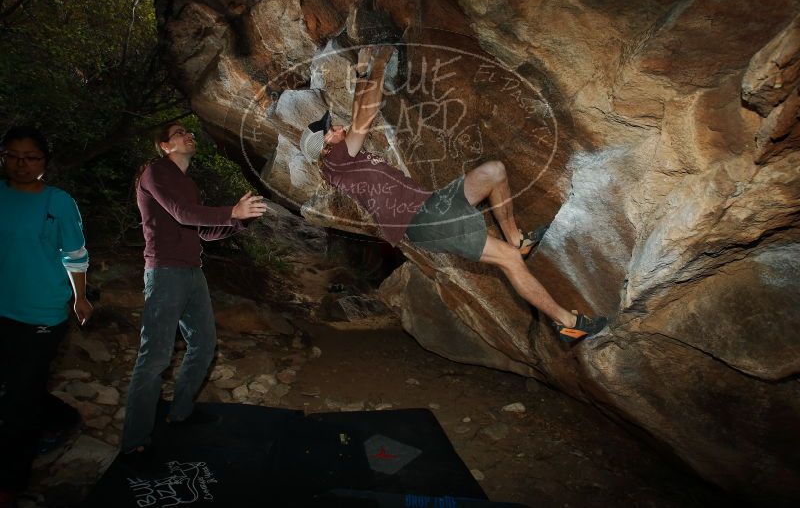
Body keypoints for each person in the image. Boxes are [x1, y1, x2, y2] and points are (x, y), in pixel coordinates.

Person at [300, 46, 607, 342]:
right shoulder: (337, 160)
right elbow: (366, 116)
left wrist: (364, 73)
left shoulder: (342, 160)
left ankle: (517, 237)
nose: (337, 126)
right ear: (325, 145)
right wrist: (381, 63)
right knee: (509, 260)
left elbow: (357, 117)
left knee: (495, 172)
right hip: (424, 221)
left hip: (432, 205)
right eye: (330, 128)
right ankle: (568, 323)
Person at [120, 123, 268, 459]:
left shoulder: (188, 183)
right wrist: (231, 210)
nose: (189, 135)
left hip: (192, 272)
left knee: (203, 344)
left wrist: (240, 221)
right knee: (155, 357)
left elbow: (203, 232)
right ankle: (135, 442)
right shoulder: (155, 172)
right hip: (164, 273)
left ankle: (180, 412)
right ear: (164, 145)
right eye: (179, 133)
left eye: (190, 132)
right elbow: (181, 214)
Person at [0, 126, 92, 508]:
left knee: (17, 401)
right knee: (18, 387)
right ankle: (61, 416)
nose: (22, 164)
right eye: (13, 155)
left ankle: (10, 484)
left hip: (42, 311)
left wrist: (80, 298)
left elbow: (75, 254)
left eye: (31, 157)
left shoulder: (59, 203)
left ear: (45, 163)